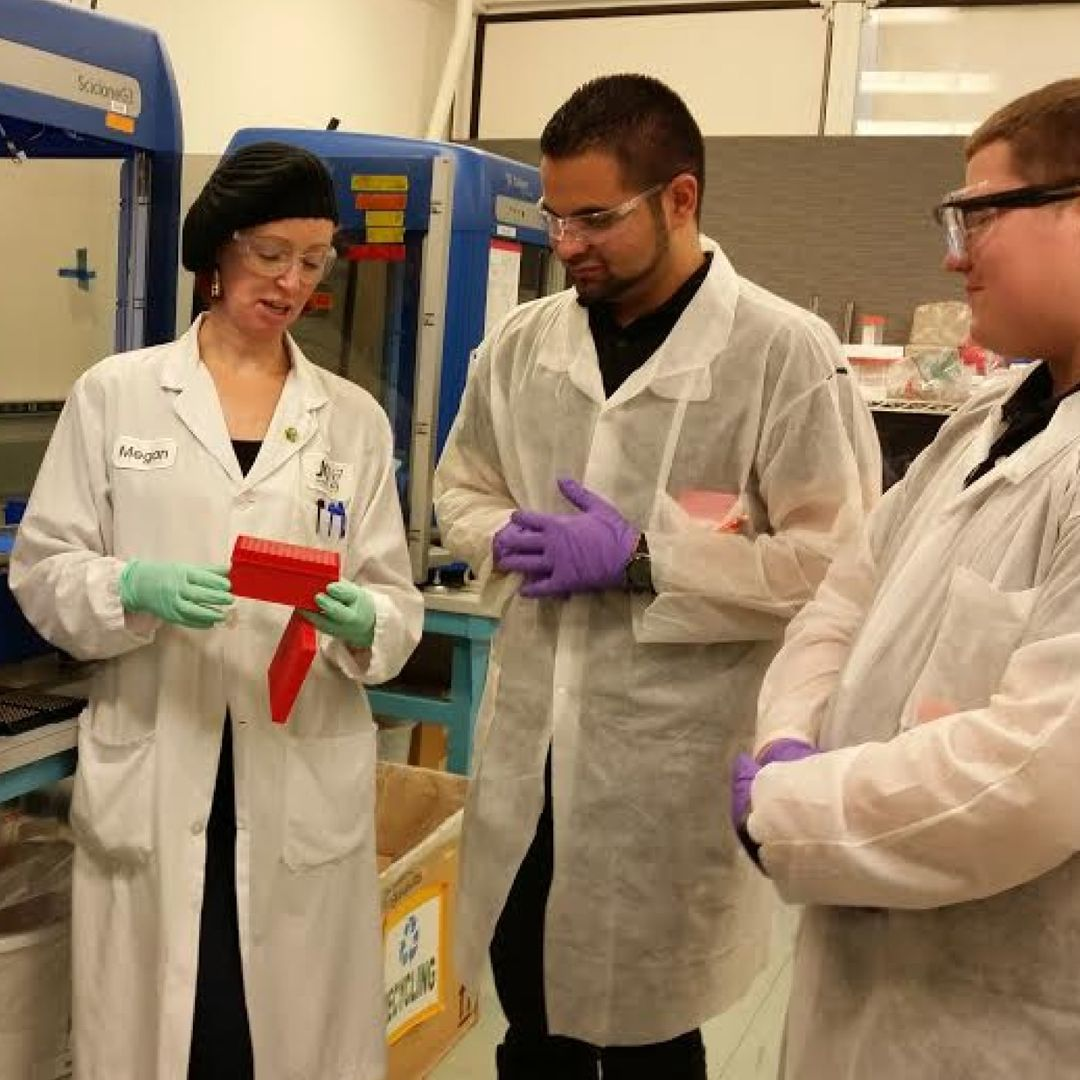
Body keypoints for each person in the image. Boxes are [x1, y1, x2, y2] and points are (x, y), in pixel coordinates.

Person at [433, 73, 880, 1080]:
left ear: (680, 200)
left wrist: (641, 559)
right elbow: (460, 484)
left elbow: (838, 564)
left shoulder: (782, 354)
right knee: (530, 1015)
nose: (569, 243)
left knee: (650, 1038)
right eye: (557, 217)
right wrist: (507, 535)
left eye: (597, 217)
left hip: (665, 769)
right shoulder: (522, 343)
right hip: (530, 752)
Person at [10, 141, 423, 1080]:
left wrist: (371, 623)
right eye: (271, 253)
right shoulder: (117, 394)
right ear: (219, 251)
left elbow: (396, 599)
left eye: (314, 261)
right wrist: (130, 589)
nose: (291, 282)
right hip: (161, 752)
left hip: (296, 760)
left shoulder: (350, 418)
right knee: (164, 1027)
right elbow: (42, 570)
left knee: (273, 1031)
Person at [730, 78, 1080, 1078]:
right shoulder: (985, 423)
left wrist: (795, 807)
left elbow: (1034, 778)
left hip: (1005, 1018)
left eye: (979, 216)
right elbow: (845, 594)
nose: (952, 253)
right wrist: (791, 739)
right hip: (868, 984)